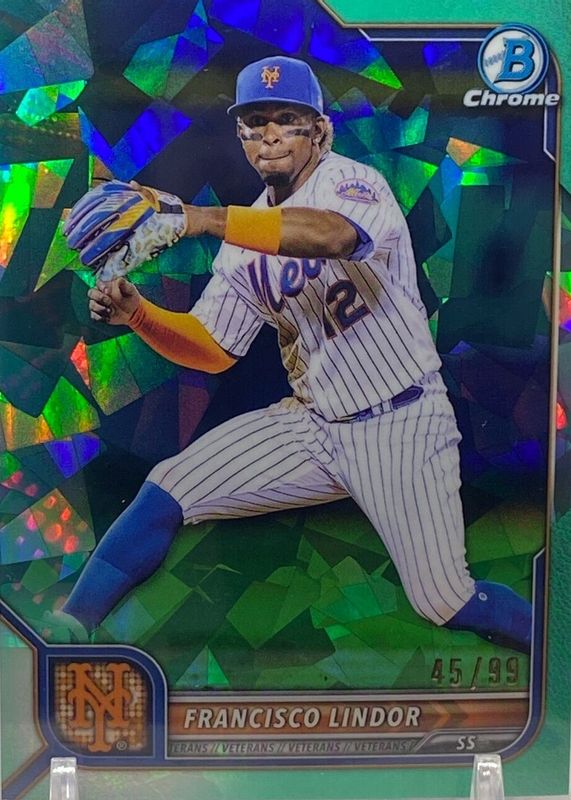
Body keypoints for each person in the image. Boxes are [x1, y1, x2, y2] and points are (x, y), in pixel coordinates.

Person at [54, 56, 532, 653]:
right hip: (313, 425)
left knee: (443, 600)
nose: (272, 134)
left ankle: (545, 642)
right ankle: (67, 629)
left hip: (402, 421)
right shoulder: (241, 241)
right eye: (257, 121)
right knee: (168, 488)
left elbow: (333, 235)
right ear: (241, 136)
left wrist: (200, 218)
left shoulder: (352, 183)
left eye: (289, 119)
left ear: (320, 130)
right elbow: (213, 349)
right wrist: (138, 314)